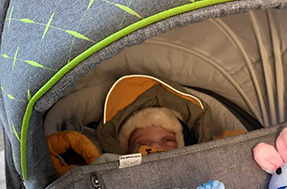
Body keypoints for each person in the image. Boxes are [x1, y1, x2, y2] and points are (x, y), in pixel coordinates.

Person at [47, 74, 244, 174]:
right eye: (142, 141)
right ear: (124, 151)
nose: (156, 146)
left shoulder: (199, 159)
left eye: (168, 139)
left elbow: (237, 147)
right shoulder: (109, 161)